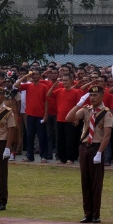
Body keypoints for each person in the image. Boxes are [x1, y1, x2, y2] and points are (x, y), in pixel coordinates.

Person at [66, 86, 112, 224]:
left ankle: (96, 215)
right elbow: (69, 118)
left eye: (95, 95)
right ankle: (87, 214)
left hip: (96, 148)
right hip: (84, 147)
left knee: (96, 184)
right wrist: (79, 104)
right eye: (90, 95)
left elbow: (107, 135)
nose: (92, 98)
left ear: (102, 96)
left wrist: (99, 153)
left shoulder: (107, 113)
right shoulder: (86, 109)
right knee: (85, 182)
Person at [14, 69, 49, 163]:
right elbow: (16, 85)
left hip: (40, 115)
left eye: (37, 74)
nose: (35, 76)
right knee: (30, 136)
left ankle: (43, 156)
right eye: (33, 74)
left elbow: (46, 101)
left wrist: (45, 114)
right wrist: (25, 77)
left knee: (41, 137)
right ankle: (29, 156)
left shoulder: (44, 87)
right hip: (30, 114)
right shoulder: (28, 86)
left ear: (40, 76)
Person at [47, 73, 82, 164]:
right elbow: (48, 95)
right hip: (60, 118)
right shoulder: (59, 91)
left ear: (71, 81)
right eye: (63, 80)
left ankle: (70, 158)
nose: (64, 82)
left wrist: (77, 118)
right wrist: (53, 86)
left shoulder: (75, 92)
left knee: (70, 139)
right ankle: (62, 158)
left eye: (66, 80)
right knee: (60, 139)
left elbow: (79, 106)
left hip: (70, 119)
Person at [0, 87, 15, 211]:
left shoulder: (7, 111)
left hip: (2, 142)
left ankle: (2, 200)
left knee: (2, 172)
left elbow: (11, 130)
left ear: (3, 97)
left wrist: (7, 148)